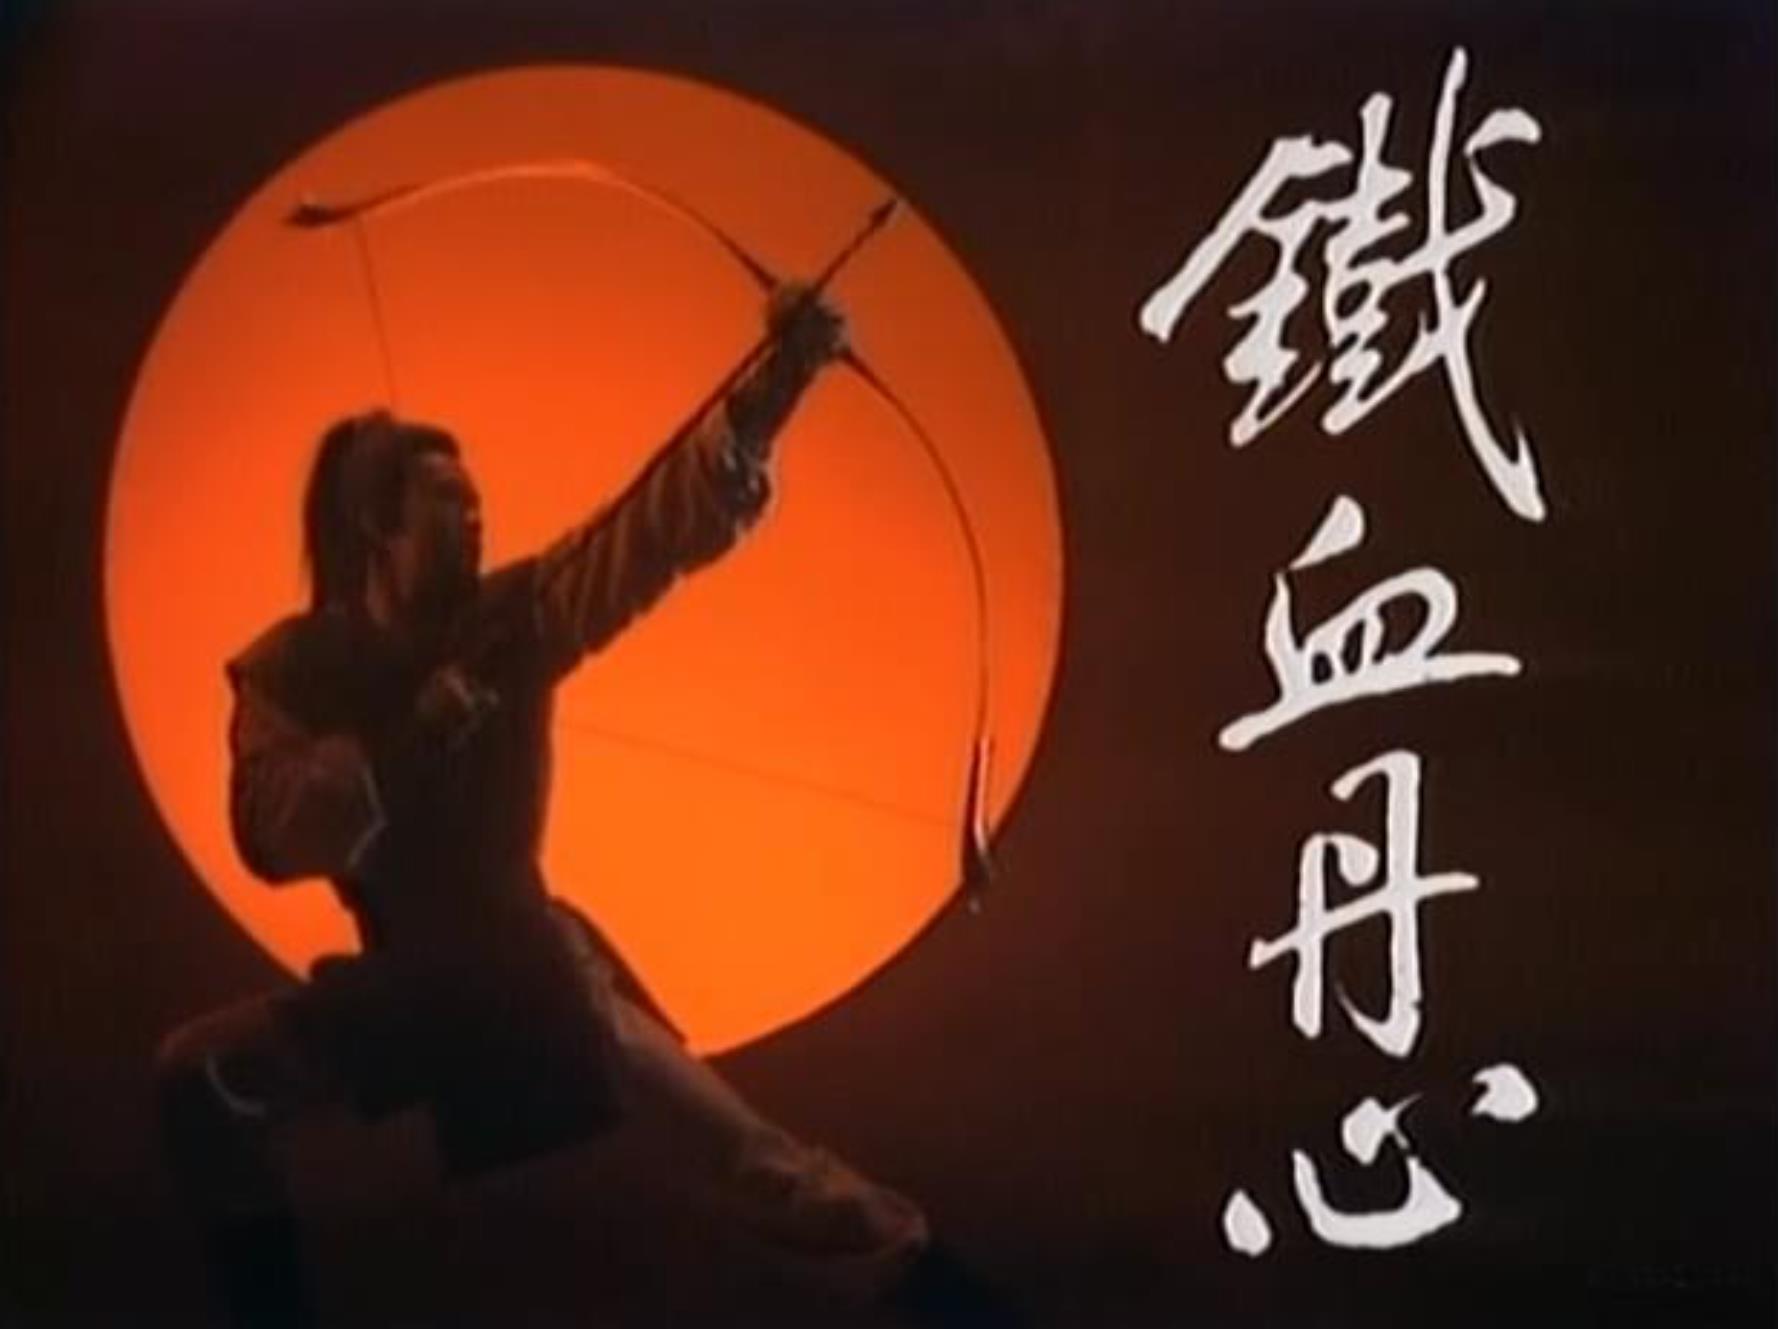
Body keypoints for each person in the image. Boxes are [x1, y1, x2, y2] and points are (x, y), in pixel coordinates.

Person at [153, 286, 1015, 1327]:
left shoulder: (512, 615)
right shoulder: (295, 668)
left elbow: (645, 536)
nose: (476, 520)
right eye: (448, 504)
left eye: (477, 503)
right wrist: (408, 739)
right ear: (378, 524)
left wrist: (778, 379)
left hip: (530, 971)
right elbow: (271, 833)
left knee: (768, 1174)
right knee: (198, 1081)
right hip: (409, 985)